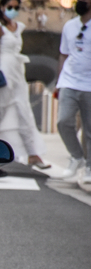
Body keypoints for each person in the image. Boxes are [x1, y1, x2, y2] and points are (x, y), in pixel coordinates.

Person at [0, 0, 50, 169]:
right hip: (3, 71)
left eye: (17, 7)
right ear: (2, 7)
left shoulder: (18, 26)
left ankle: (33, 153)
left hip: (17, 72)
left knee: (24, 111)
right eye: (10, 7)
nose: (13, 10)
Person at [54, 0, 91, 182]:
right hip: (69, 81)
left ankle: (89, 168)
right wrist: (58, 81)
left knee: (89, 129)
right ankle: (77, 157)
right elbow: (64, 54)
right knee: (63, 121)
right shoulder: (70, 26)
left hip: (89, 85)